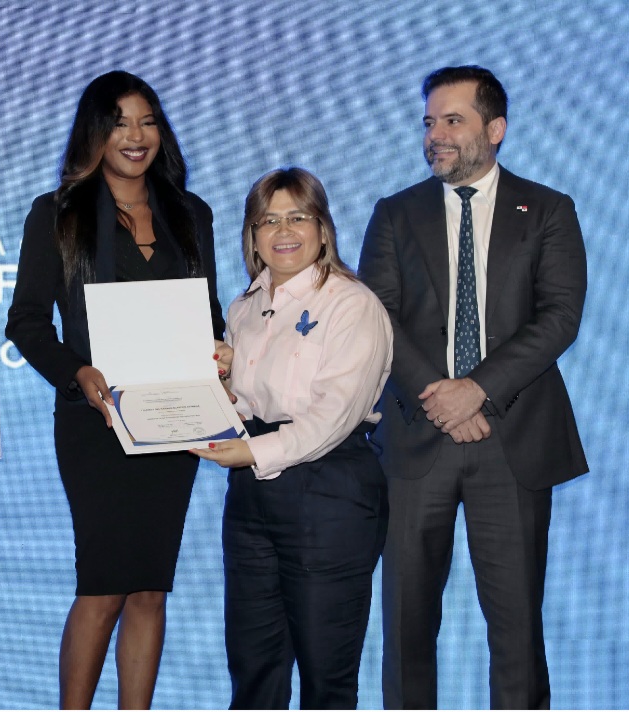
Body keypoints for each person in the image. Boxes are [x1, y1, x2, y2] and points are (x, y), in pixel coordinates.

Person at [357, 65, 588, 709]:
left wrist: (477, 390)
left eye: (452, 120)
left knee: (516, 630)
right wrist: (442, 395)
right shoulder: (395, 213)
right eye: (429, 122)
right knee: (406, 627)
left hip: (513, 441)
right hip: (417, 435)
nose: (436, 135)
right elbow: (378, 316)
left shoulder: (547, 209)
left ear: (496, 128)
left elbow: (560, 316)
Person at [5, 70, 224, 709]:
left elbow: (204, 314)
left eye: (148, 121)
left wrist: (219, 354)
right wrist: (78, 373)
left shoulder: (191, 213)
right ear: (95, 132)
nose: (136, 136)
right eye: (120, 122)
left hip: (176, 419)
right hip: (95, 424)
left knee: (151, 588)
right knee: (102, 587)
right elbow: (26, 322)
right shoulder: (58, 214)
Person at [192, 168, 392, 709]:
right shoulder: (244, 307)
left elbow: (333, 416)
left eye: (298, 217)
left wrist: (249, 450)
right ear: (252, 235)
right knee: (254, 670)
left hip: (330, 493)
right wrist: (218, 388)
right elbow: (249, 405)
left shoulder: (352, 304)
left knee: (326, 677)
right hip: (253, 497)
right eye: (268, 220)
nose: (283, 231)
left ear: (323, 229)